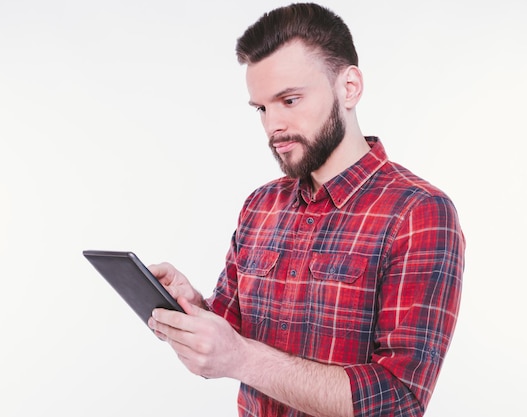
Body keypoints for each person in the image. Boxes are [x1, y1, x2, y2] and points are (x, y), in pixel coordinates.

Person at [147, 3, 465, 417]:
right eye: (262, 108)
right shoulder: (260, 205)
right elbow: (234, 336)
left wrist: (241, 358)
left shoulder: (418, 213)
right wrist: (193, 310)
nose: (272, 126)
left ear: (348, 87)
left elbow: (398, 401)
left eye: (289, 100)